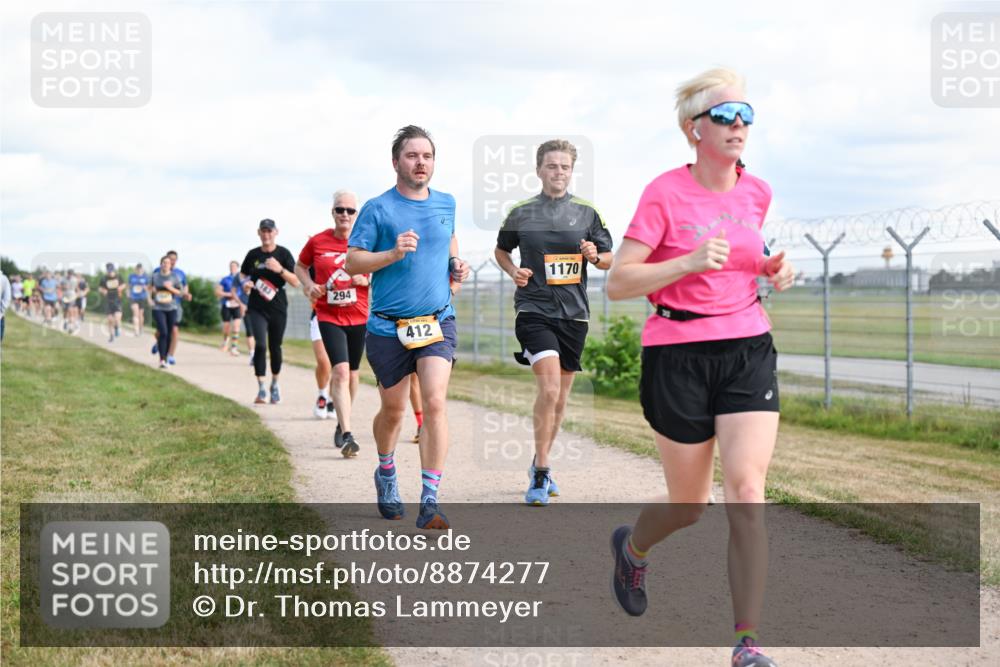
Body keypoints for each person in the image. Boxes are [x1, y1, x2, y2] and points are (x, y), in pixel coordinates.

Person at [605, 68, 794, 667]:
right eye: (725, 115)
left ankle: (747, 643)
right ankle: (633, 551)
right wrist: (684, 261)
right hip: (676, 354)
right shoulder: (663, 193)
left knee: (746, 490)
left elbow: (749, 256)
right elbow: (618, 283)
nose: (739, 125)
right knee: (691, 506)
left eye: (746, 114)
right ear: (695, 130)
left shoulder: (756, 191)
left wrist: (773, 271)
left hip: (746, 348)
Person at [346, 125, 469, 530]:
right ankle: (385, 472)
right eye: (413, 156)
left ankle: (430, 499)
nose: (421, 163)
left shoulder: (447, 202)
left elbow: (448, 241)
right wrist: (392, 253)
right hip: (387, 327)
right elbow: (353, 262)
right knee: (394, 410)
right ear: (396, 161)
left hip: (436, 320)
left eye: (428, 156)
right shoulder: (377, 208)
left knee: (434, 402)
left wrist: (456, 265)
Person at [495, 139, 614, 506]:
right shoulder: (521, 212)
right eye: (551, 166)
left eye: (564, 166)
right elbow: (501, 250)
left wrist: (595, 256)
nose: (558, 172)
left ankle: (538, 460)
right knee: (548, 390)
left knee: (560, 399)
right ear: (539, 170)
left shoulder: (587, 212)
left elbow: (609, 258)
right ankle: (543, 473)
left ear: (571, 171)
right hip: (534, 309)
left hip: (574, 315)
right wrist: (514, 270)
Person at [296, 190, 370, 457]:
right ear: (333, 212)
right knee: (338, 371)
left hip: (359, 316)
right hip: (329, 315)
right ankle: (349, 434)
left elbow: (383, 268)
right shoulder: (318, 241)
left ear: (356, 214)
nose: (345, 215)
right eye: (340, 210)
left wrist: (368, 279)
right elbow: (300, 266)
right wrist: (308, 286)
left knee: (352, 374)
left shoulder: (365, 242)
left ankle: (341, 421)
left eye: (350, 211)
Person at [241, 218, 299, 404]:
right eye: (263, 231)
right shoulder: (253, 255)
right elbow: (243, 274)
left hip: (277, 306)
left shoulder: (283, 254)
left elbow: (296, 281)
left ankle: (274, 384)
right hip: (256, 306)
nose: (266, 234)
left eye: (269, 231)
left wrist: (280, 269)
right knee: (260, 345)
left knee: (275, 347)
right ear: (259, 233)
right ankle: (261, 388)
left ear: (276, 232)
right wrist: (245, 283)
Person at [148, 255, 182, 369]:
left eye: (167, 263)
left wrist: (170, 288)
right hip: (158, 308)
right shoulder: (155, 276)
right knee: (163, 332)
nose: (165, 264)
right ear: (160, 264)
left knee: (169, 334)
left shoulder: (174, 277)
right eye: (163, 262)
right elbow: (148, 289)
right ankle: (162, 359)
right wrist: (149, 299)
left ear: (170, 265)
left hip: (171, 308)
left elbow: (180, 292)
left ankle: (167, 357)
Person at [216, 261, 243, 356]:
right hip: (226, 304)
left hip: (237, 305)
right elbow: (218, 292)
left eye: (234, 266)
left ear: (238, 267)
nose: (232, 268)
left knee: (236, 326)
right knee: (226, 327)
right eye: (231, 266)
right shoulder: (225, 279)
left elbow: (245, 291)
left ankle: (234, 347)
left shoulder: (241, 279)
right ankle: (225, 342)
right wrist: (228, 294)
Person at [98, 264, 125, 342]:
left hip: (117, 300)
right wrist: (103, 291)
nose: (110, 272)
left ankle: (117, 327)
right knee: (110, 319)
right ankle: (111, 335)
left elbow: (124, 284)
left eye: (111, 270)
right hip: (108, 301)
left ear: (114, 270)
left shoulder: (118, 277)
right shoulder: (104, 279)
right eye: (109, 271)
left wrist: (121, 287)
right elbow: (100, 288)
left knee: (117, 318)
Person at [128, 263, 150, 336]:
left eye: (140, 269)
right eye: (138, 269)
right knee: (135, 313)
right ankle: (136, 331)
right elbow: (129, 286)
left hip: (142, 297)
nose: (139, 270)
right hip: (133, 297)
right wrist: (128, 293)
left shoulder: (146, 277)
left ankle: (141, 329)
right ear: (136, 269)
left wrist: (145, 288)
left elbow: (149, 289)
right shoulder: (131, 276)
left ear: (142, 269)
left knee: (140, 314)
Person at [0, 271, 11, 344]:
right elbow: (7, 298)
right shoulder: (3, 279)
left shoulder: (3, 279)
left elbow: (7, 298)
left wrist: (1, 311)